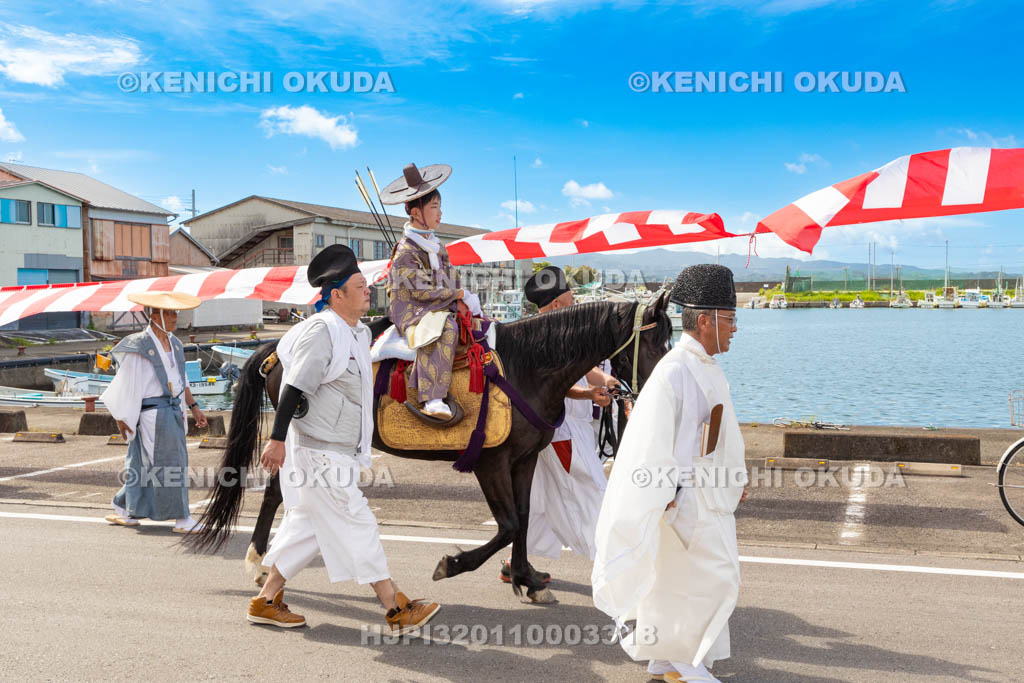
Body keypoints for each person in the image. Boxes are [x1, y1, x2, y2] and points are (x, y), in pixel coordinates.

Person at [249, 244, 441, 634]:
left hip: (333, 452)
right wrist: (277, 439)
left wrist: (411, 306)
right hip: (318, 453)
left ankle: (266, 600)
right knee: (358, 523)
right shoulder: (323, 332)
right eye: (359, 285)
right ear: (336, 294)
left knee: (307, 529)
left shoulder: (351, 331)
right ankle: (395, 607)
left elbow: (376, 325)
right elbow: (294, 388)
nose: (367, 290)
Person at [591, 264, 748, 683]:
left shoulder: (704, 365)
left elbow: (713, 437)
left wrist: (735, 479)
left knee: (684, 582)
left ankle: (667, 662)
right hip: (684, 500)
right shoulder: (675, 370)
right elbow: (652, 442)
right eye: (730, 319)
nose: (735, 329)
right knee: (708, 580)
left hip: (710, 495)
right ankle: (687, 666)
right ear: (704, 320)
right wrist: (664, 493)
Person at [499, 266, 616, 583]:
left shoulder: (563, 332)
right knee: (590, 489)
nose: (576, 303)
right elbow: (556, 388)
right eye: (569, 299)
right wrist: (588, 394)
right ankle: (612, 562)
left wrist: (605, 380)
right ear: (554, 306)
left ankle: (515, 561)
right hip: (559, 429)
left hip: (568, 427)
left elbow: (586, 367)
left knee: (539, 498)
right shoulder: (540, 339)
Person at [101, 291, 208, 533]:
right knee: (174, 464)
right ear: (155, 315)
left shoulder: (177, 344)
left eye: (175, 312)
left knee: (143, 465)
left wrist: (194, 407)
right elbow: (125, 383)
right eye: (169, 313)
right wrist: (122, 417)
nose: (174, 317)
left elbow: (182, 381)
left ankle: (124, 508)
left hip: (174, 410)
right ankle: (182, 517)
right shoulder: (139, 346)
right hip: (152, 413)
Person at [381, 163, 481, 420]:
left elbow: (450, 280)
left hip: (436, 302)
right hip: (411, 307)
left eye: (439, 207)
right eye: (434, 208)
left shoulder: (436, 245)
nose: (440, 214)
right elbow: (420, 290)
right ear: (415, 213)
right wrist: (457, 297)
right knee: (444, 329)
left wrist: (464, 298)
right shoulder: (405, 251)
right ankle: (432, 399)